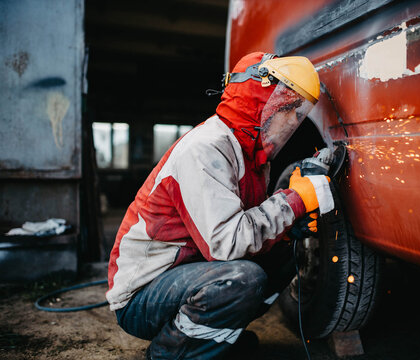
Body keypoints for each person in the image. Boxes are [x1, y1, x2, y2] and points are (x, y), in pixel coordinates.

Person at [106, 52, 334, 359]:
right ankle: (169, 353)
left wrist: (289, 227)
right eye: (288, 107)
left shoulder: (253, 158)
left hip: (185, 271)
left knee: (284, 254)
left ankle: (214, 338)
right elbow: (226, 244)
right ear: (258, 98)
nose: (292, 120)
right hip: (141, 295)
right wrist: (293, 202)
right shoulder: (206, 149)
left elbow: (249, 226)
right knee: (242, 279)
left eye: (298, 112)